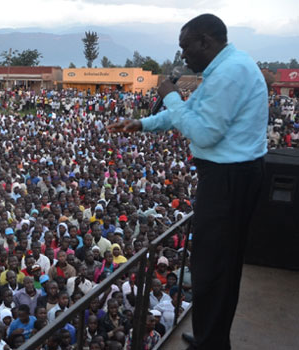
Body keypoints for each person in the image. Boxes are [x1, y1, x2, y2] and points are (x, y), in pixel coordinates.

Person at [107, 13, 267, 349]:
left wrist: (169, 94)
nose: (183, 56)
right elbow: (191, 113)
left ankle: (212, 342)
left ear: (205, 42)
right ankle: (211, 335)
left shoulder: (230, 73)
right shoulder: (226, 68)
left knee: (212, 267)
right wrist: (141, 124)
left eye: (186, 47)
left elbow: (201, 132)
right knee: (216, 265)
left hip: (228, 179)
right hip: (230, 176)